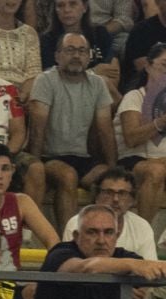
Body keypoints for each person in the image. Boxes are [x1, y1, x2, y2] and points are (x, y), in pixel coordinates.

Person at [25, 204, 166, 299]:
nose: (101, 240)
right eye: (92, 232)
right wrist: (133, 265)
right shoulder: (60, 253)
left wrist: (165, 268)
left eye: (108, 232)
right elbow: (86, 268)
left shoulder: (127, 257)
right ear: (76, 236)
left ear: (117, 235)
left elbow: (144, 292)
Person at [31, 31, 116, 228]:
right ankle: (68, 238)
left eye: (82, 51)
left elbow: (106, 130)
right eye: (70, 50)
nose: (76, 55)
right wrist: (34, 168)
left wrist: (114, 167)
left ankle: (105, 234)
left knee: (109, 180)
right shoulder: (45, 81)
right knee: (68, 176)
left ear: (89, 57)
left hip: (83, 158)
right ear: (57, 55)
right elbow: (37, 129)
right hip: (49, 157)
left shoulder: (98, 84)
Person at [115, 45, 166, 221]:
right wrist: (163, 121)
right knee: (155, 171)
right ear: (148, 66)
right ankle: (145, 234)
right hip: (134, 160)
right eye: (164, 65)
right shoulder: (134, 97)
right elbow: (131, 138)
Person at [57, 164, 159, 259]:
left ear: (132, 200)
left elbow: (149, 267)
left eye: (122, 193)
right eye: (108, 193)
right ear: (96, 196)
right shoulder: (76, 223)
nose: (115, 199)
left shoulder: (142, 226)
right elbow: (71, 268)